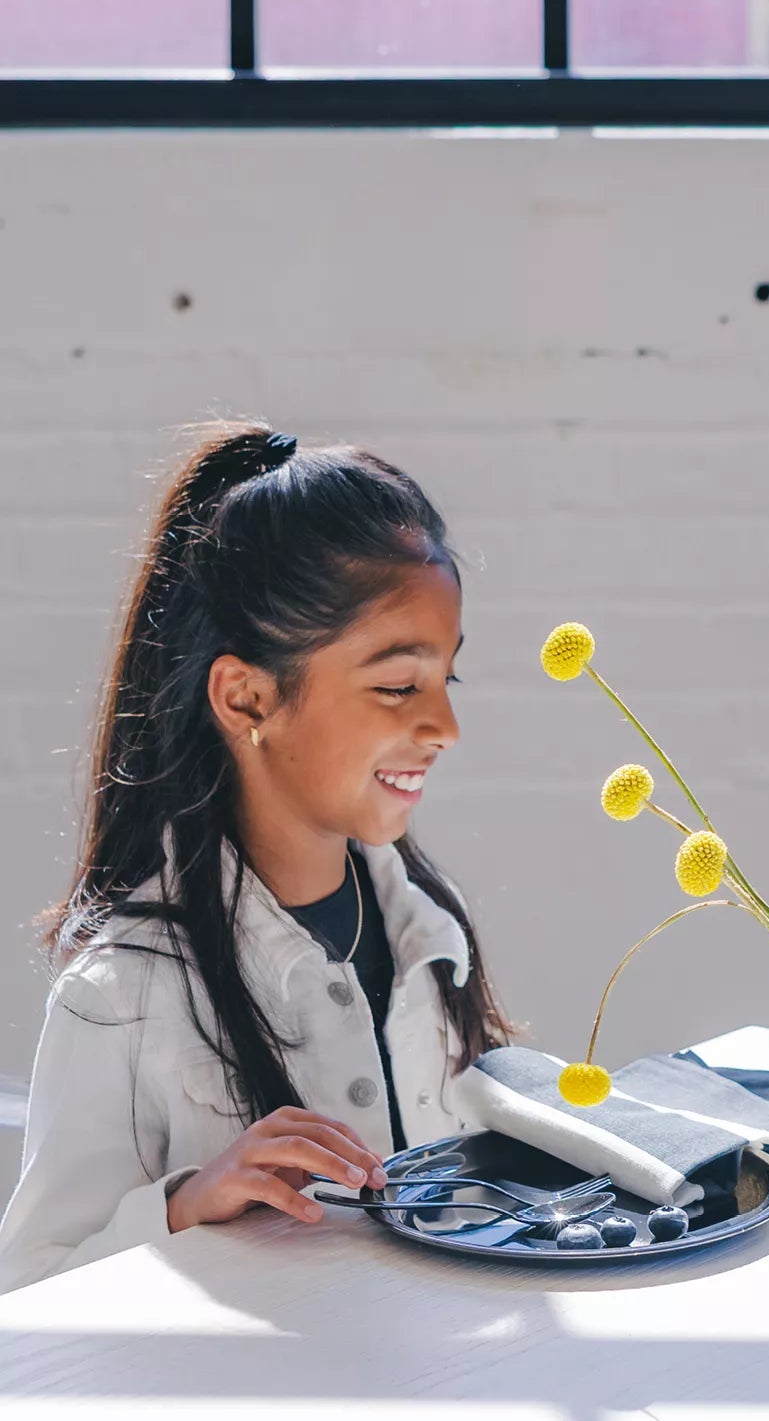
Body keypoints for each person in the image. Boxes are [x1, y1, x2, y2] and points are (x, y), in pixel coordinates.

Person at [0, 422, 508, 1291]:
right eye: (398, 686)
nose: (445, 729)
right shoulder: (122, 989)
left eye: (445, 681)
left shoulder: (432, 925)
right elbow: (27, 1297)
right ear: (246, 697)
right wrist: (183, 1208)